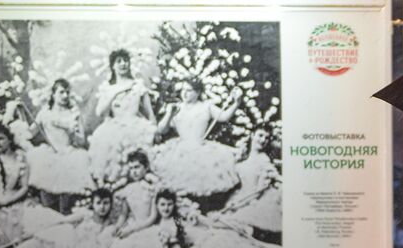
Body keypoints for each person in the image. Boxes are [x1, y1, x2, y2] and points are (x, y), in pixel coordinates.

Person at [152, 78, 242, 203]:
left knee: (201, 180)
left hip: (201, 147)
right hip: (180, 149)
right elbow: (161, 130)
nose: (184, 93)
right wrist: (169, 114)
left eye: (189, 90)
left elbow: (223, 116)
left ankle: (199, 205)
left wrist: (236, 103)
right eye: (183, 89)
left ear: (198, 92)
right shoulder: (176, 107)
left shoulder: (206, 106)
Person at [20, 78, 93, 213]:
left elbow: (82, 141)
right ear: (53, 94)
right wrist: (21, 116)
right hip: (49, 156)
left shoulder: (73, 114)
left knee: (67, 200)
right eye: (61, 92)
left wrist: (75, 132)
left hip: (70, 155)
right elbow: (29, 134)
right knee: (47, 199)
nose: (65, 96)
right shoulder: (44, 113)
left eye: (67, 92)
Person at [88, 49, 157, 186]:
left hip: (137, 127)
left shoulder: (138, 86)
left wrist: (154, 131)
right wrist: (115, 92)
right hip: (115, 128)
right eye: (119, 61)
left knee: (139, 165)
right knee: (116, 166)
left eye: (125, 61)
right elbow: (100, 112)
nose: (123, 64)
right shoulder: (109, 88)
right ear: (113, 66)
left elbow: (150, 114)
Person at [219, 127, 283, 238]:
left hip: (254, 202)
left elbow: (258, 191)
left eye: (267, 138)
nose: (263, 140)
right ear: (253, 135)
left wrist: (239, 204)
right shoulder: (242, 158)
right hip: (239, 198)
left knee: (232, 227)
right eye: (260, 135)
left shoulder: (264, 161)